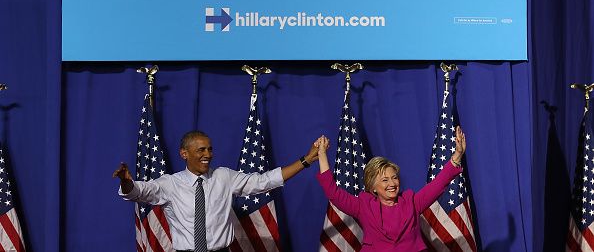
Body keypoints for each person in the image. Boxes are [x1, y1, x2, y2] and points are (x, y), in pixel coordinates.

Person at [113, 130, 320, 252]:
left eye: (210, 149)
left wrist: (306, 160)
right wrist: (126, 182)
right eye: (201, 150)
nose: (208, 154)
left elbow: (264, 181)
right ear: (184, 154)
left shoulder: (224, 176)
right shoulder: (170, 184)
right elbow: (138, 191)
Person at [315, 126, 467, 251]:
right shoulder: (363, 206)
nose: (392, 184)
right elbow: (333, 192)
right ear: (373, 187)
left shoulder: (411, 202)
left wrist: (457, 155)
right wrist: (322, 154)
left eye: (394, 177)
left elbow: (438, 184)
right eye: (385, 180)